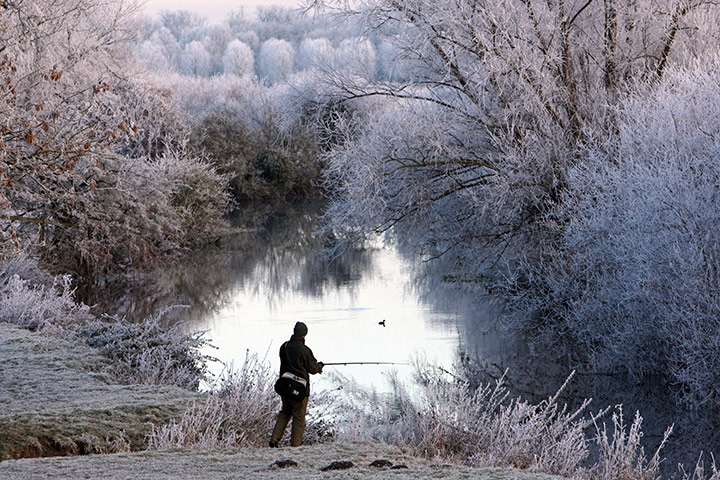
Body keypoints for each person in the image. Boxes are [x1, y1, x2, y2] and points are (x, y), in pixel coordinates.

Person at [269, 321, 323, 447]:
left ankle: (274, 439)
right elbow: (313, 369)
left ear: (294, 332)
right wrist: (320, 366)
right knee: (299, 417)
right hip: (299, 390)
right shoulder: (305, 350)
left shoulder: (284, 346)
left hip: (285, 387)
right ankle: (295, 446)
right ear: (304, 334)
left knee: (285, 412)